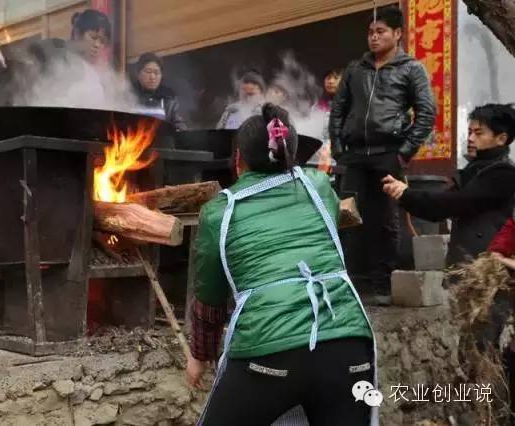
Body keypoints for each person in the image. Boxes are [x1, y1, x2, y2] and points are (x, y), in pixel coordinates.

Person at [187, 103, 376, 425]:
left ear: (237, 160)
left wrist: (200, 356)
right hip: (348, 345)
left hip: (268, 353)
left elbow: (209, 296)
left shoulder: (220, 212)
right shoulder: (318, 188)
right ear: (292, 153)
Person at [329, 6, 436, 300]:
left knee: (385, 221)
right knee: (346, 218)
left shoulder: (411, 68)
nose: (374, 38)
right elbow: (338, 110)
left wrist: (403, 153)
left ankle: (382, 286)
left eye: (381, 32)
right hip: (354, 156)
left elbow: (426, 113)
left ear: (397, 33)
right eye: (370, 32)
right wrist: (338, 149)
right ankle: (346, 285)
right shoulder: (355, 69)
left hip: (388, 153)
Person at [383, 103, 515, 267]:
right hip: (467, 263)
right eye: (469, 132)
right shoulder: (473, 170)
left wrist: (407, 194)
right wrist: (404, 194)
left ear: (501, 138)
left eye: (478, 133)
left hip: (488, 268)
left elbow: (456, 202)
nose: (471, 138)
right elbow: (438, 208)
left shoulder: (503, 173)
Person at [132, 52, 186, 130]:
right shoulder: (128, 95)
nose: (152, 77)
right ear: (138, 74)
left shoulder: (169, 99)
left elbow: (179, 126)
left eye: (156, 73)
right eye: (148, 72)